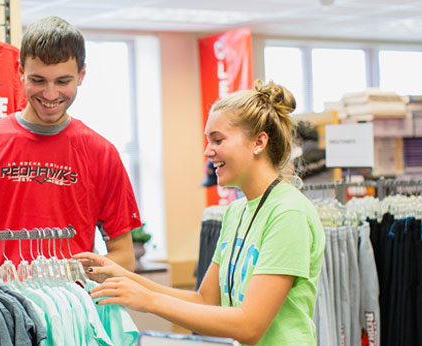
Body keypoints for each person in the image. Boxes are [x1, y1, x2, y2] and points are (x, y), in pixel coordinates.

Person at [76, 80, 326, 345]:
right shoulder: (236, 212)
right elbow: (205, 300)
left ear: (259, 142)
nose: (208, 151)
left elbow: (250, 325)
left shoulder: (289, 213)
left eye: (218, 140)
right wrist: (125, 277)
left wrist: (148, 300)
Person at [0, 16, 141, 270]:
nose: (50, 94)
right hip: (0, 304)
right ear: (21, 72)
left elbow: (124, 258)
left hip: (73, 303)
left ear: (81, 74)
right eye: (38, 80)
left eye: (63, 82)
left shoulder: (102, 154)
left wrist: (73, 271)